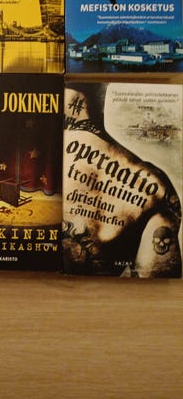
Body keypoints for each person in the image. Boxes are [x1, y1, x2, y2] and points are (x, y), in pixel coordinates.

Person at [63, 83, 182, 278]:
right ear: (104, 95)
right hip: (100, 295)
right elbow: (155, 284)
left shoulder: (33, 158)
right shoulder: (157, 189)